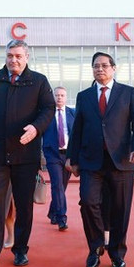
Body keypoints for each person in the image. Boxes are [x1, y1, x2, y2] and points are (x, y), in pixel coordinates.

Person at [0, 40, 55, 267]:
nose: (13, 60)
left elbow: (49, 109)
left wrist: (36, 128)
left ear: (27, 56)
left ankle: (21, 250)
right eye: (10, 56)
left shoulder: (38, 82)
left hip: (26, 155)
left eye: (18, 56)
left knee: (24, 206)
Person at [67, 51, 134, 267]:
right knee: (88, 202)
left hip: (121, 161)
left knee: (121, 209)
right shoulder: (84, 96)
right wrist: (71, 158)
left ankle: (117, 254)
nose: (99, 69)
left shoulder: (128, 93)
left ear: (113, 68)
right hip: (91, 161)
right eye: (95, 66)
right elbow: (77, 129)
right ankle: (95, 247)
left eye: (104, 65)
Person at [42, 86, 75, 231]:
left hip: (68, 155)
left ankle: (52, 212)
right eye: (57, 95)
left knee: (62, 186)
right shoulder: (46, 114)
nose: (59, 98)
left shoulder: (73, 113)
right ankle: (62, 218)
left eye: (62, 95)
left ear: (66, 97)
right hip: (53, 154)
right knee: (57, 185)